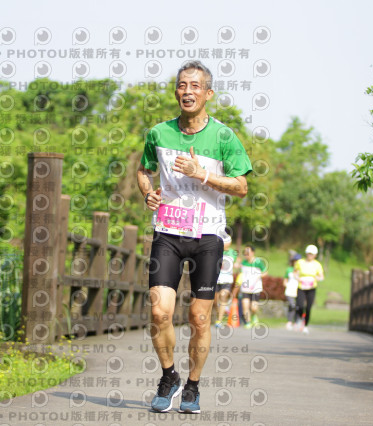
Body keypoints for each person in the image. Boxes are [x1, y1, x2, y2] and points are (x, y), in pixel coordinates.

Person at [136, 60, 252, 414]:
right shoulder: (158, 133)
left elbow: (242, 186)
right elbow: (143, 170)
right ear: (176, 92)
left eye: (195, 86)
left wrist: (203, 174)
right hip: (168, 232)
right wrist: (148, 192)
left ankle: (193, 386)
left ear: (208, 93)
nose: (188, 91)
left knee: (200, 318)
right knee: (159, 312)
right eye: (182, 86)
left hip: (208, 235)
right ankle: (169, 376)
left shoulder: (223, 136)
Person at [294, 244, 324, 334]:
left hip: (311, 287)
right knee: (300, 305)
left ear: (315, 255)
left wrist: (317, 279)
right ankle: (299, 318)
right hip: (301, 286)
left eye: (312, 254)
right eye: (309, 253)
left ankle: (305, 325)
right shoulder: (300, 262)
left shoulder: (317, 265)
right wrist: (298, 278)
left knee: (308, 307)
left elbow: (321, 276)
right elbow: (295, 272)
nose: (310, 255)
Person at [238, 245, 268, 329]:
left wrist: (259, 276)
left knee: (254, 307)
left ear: (253, 252)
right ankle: (248, 322)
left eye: (248, 252)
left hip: (255, 288)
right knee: (245, 305)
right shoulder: (244, 262)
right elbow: (239, 270)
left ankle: (254, 316)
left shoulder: (258, 262)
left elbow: (265, 272)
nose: (246, 254)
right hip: (245, 288)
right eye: (245, 252)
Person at [214, 235, 239, 327]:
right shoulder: (216, 250)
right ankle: (220, 313)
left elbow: (236, 263)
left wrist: (237, 265)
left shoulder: (233, 253)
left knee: (223, 296)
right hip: (216, 279)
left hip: (227, 280)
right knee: (215, 301)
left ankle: (219, 321)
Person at [284, 253, 302, 330]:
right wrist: (287, 285)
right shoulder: (289, 269)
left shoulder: (301, 271)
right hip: (289, 291)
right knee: (292, 305)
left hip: (298, 290)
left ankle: (296, 321)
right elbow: (285, 280)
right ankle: (289, 321)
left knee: (298, 306)